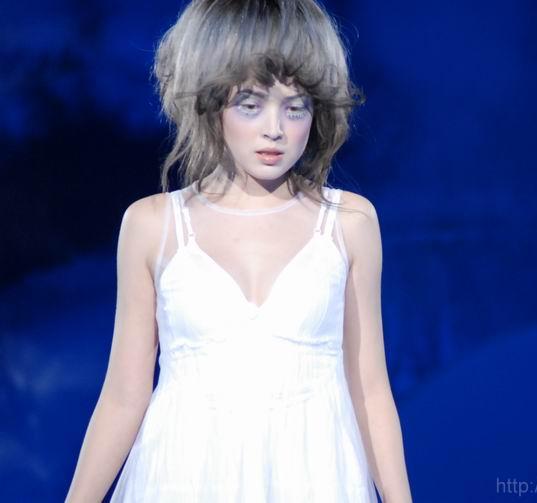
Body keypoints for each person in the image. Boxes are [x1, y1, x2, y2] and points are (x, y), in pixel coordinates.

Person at [64, 1, 412, 501]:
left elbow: (370, 391)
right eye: (250, 104)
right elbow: (123, 396)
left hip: (313, 477)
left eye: (295, 107)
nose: (275, 128)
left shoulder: (349, 223)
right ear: (210, 102)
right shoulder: (153, 225)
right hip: (183, 478)